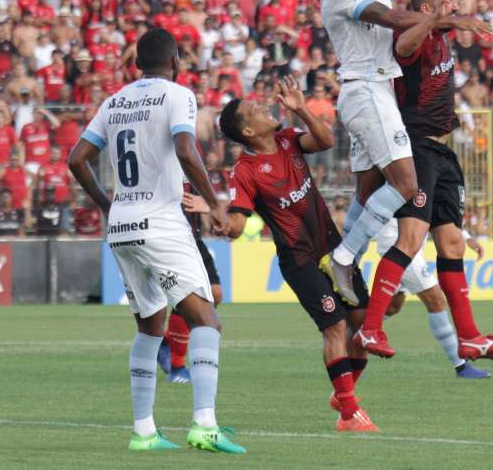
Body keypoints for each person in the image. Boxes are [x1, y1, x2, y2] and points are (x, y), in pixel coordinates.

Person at [305, 0, 493, 359]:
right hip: (367, 88)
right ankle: (343, 259)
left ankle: (350, 271)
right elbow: (397, 17)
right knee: (406, 187)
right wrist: (452, 17)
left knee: (370, 192)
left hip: (374, 92)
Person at [68, 28, 245, 453]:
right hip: (162, 222)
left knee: (150, 328)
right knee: (207, 319)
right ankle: (204, 424)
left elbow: (76, 159)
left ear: (135, 65)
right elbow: (185, 149)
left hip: (123, 226)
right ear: (176, 62)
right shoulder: (176, 94)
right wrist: (215, 202)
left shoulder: (114, 102)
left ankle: (144, 431)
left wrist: (107, 204)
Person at [347, 0, 493, 360]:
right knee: (409, 240)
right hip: (415, 146)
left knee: (453, 243)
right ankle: (371, 330)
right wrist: (447, 21)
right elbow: (403, 46)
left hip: (443, 152)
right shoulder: (414, 36)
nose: (452, 2)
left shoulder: (438, 33)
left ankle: (470, 336)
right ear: (425, 10)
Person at [218, 77, 378, 432]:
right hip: (299, 259)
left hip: (335, 250)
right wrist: (218, 218)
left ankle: (344, 393)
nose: (264, 106)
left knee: (363, 326)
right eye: (254, 110)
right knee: (335, 325)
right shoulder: (245, 171)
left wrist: (302, 108)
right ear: (247, 130)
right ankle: (349, 414)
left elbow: (325, 140)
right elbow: (238, 224)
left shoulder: (288, 140)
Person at [374, 220, 492, 378]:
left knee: (393, 305)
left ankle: (351, 331)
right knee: (436, 300)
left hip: (409, 245)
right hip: (399, 246)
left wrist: (465, 236)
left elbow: (438, 212)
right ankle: (461, 366)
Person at [156, 189, 225, 385]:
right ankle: (177, 367)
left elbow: (204, 194)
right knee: (186, 297)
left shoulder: (193, 163)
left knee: (215, 293)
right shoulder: (168, 161)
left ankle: (169, 341)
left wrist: (210, 210)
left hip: (193, 238)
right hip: (172, 238)